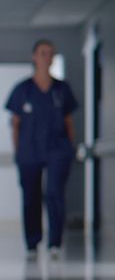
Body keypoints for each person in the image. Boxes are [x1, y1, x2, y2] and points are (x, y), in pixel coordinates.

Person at [5, 40, 78, 261]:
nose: (47, 57)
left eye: (51, 54)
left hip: (57, 149)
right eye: (43, 53)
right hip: (29, 150)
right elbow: (15, 124)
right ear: (34, 57)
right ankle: (32, 243)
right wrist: (19, 152)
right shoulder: (23, 89)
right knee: (31, 197)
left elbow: (69, 122)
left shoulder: (61, 89)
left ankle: (55, 242)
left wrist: (69, 149)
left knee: (55, 193)